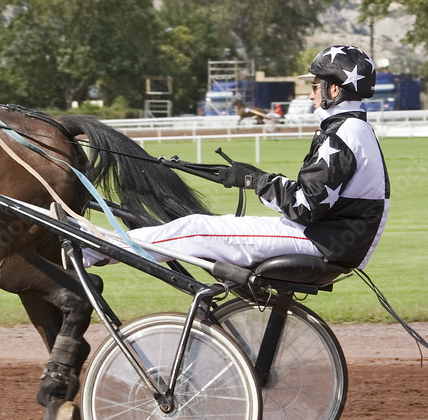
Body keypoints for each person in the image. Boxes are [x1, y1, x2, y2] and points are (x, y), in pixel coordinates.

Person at [84, 44, 390, 270]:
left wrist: (254, 180)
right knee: (212, 226)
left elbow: (304, 206)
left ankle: (93, 250)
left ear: (333, 89)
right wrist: (256, 178)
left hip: (319, 241)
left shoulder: (343, 135)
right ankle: (102, 246)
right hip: (327, 240)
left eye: (314, 86)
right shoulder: (355, 130)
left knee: (196, 229)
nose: (310, 94)